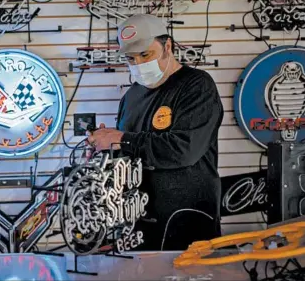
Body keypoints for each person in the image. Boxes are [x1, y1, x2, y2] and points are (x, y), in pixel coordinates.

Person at [87, 14, 224, 251]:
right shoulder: (131, 97)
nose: (138, 64)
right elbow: (128, 155)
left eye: (145, 54)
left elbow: (184, 150)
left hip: (187, 219)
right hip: (138, 223)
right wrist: (106, 150)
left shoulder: (197, 86)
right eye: (131, 58)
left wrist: (121, 138)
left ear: (167, 46)